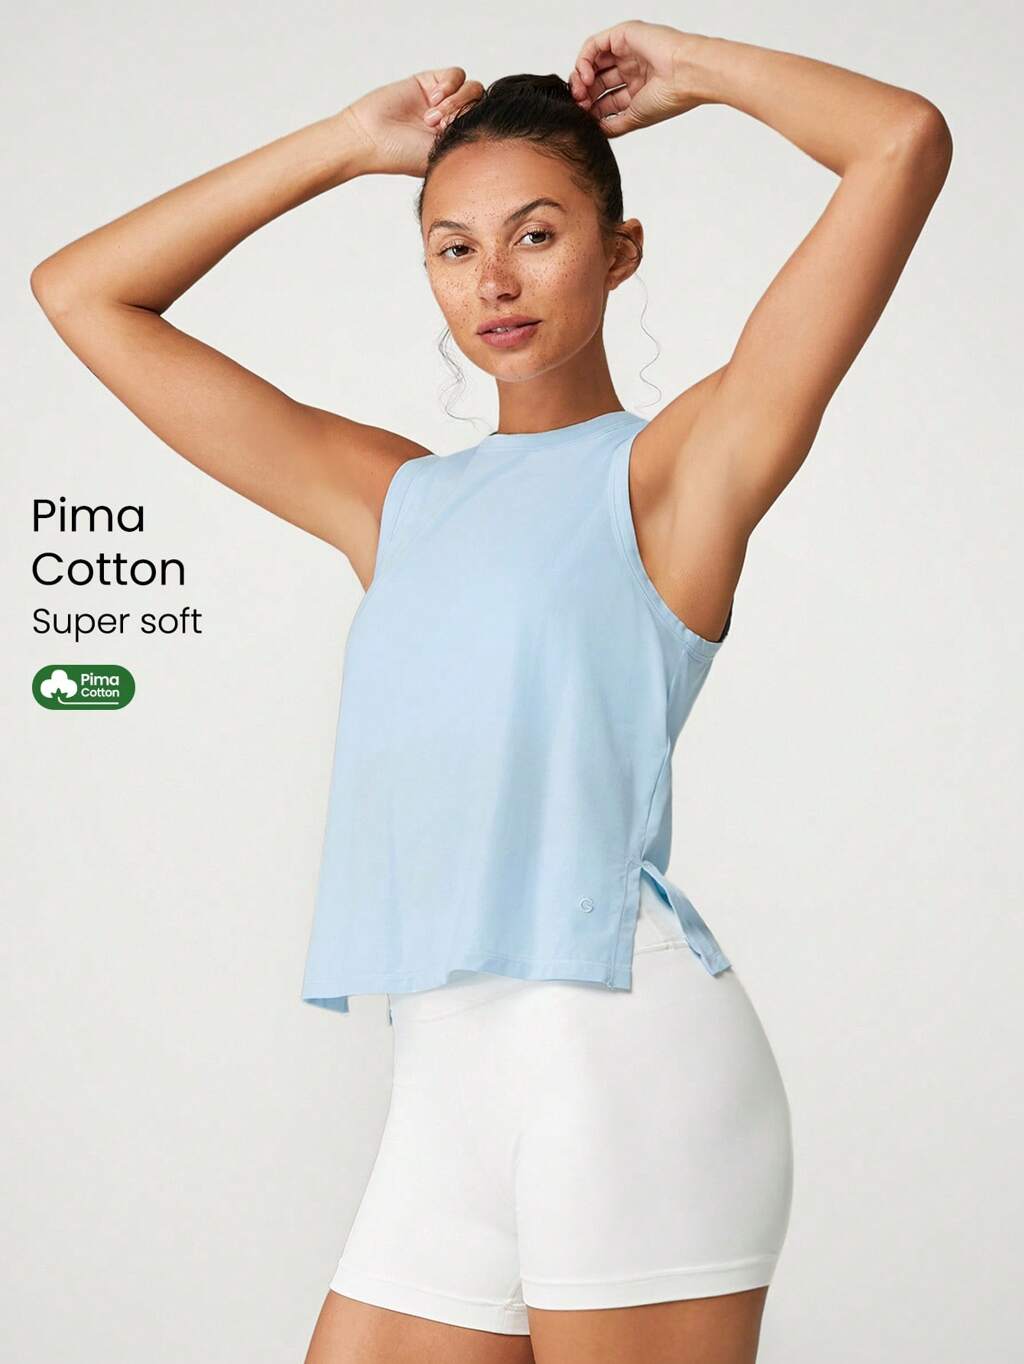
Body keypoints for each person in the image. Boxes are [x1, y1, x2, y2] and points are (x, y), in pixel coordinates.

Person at [29, 19, 952, 1364]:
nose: (494, 281)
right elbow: (79, 293)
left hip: (622, 1062)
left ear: (619, 251)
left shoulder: (677, 473)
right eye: (453, 248)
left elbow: (901, 143)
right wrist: (345, 144)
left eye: (537, 234)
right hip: (443, 1084)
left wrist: (691, 72)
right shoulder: (393, 501)